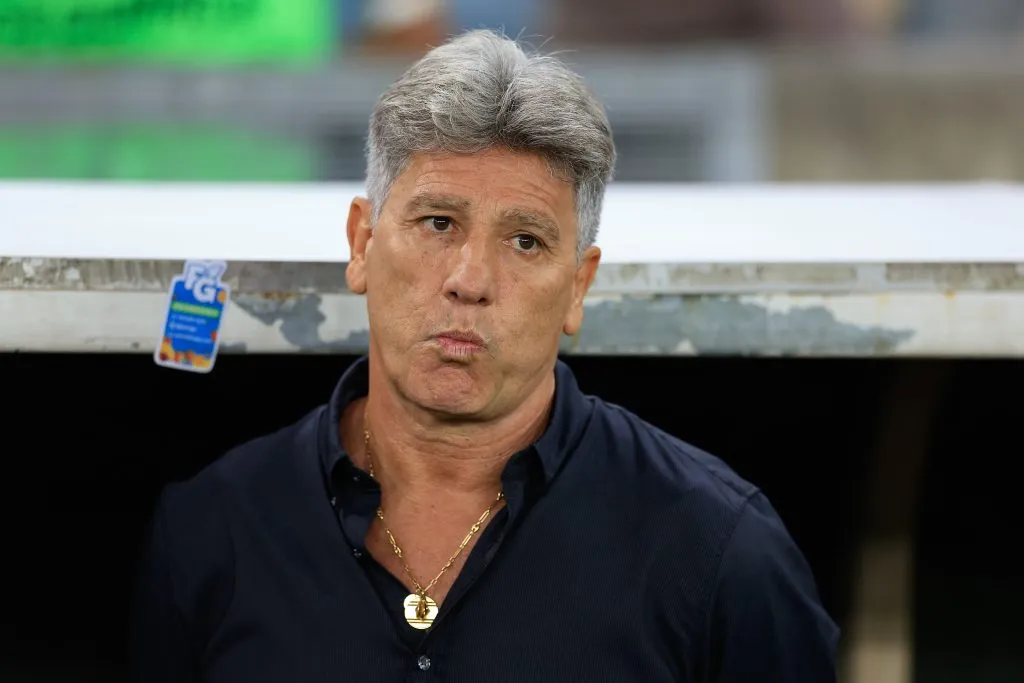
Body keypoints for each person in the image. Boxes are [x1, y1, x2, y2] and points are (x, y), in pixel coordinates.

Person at [130, 29, 839, 682]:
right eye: (438, 222)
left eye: (525, 240)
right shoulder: (212, 530)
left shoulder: (718, 552)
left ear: (577, 286)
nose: (470, 279)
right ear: (361, 244)